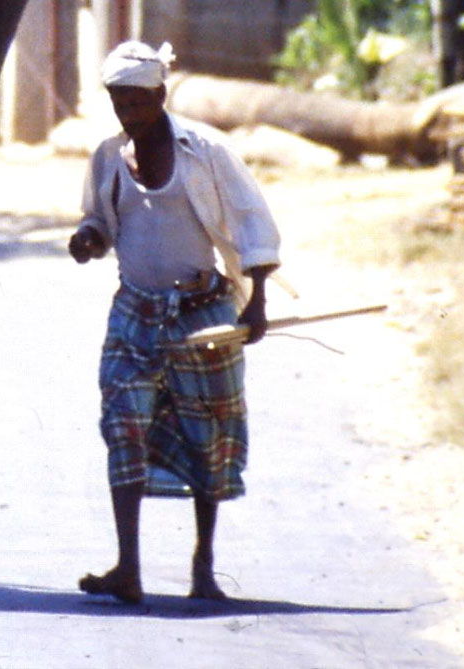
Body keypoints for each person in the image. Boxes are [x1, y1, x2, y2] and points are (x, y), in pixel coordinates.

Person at [68, 40, 281, 604]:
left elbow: (251, 219)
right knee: (123, 426)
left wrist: (255, 300)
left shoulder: (206, 150)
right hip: (135, 311)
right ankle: (128, 567)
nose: (128, 114)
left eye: (137, 102)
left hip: (201, 311)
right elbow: (99, 219)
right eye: (118, 103)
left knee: (207, 434)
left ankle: (203, 566)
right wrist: (89, 238)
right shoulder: (109, 157)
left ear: (160, 95)